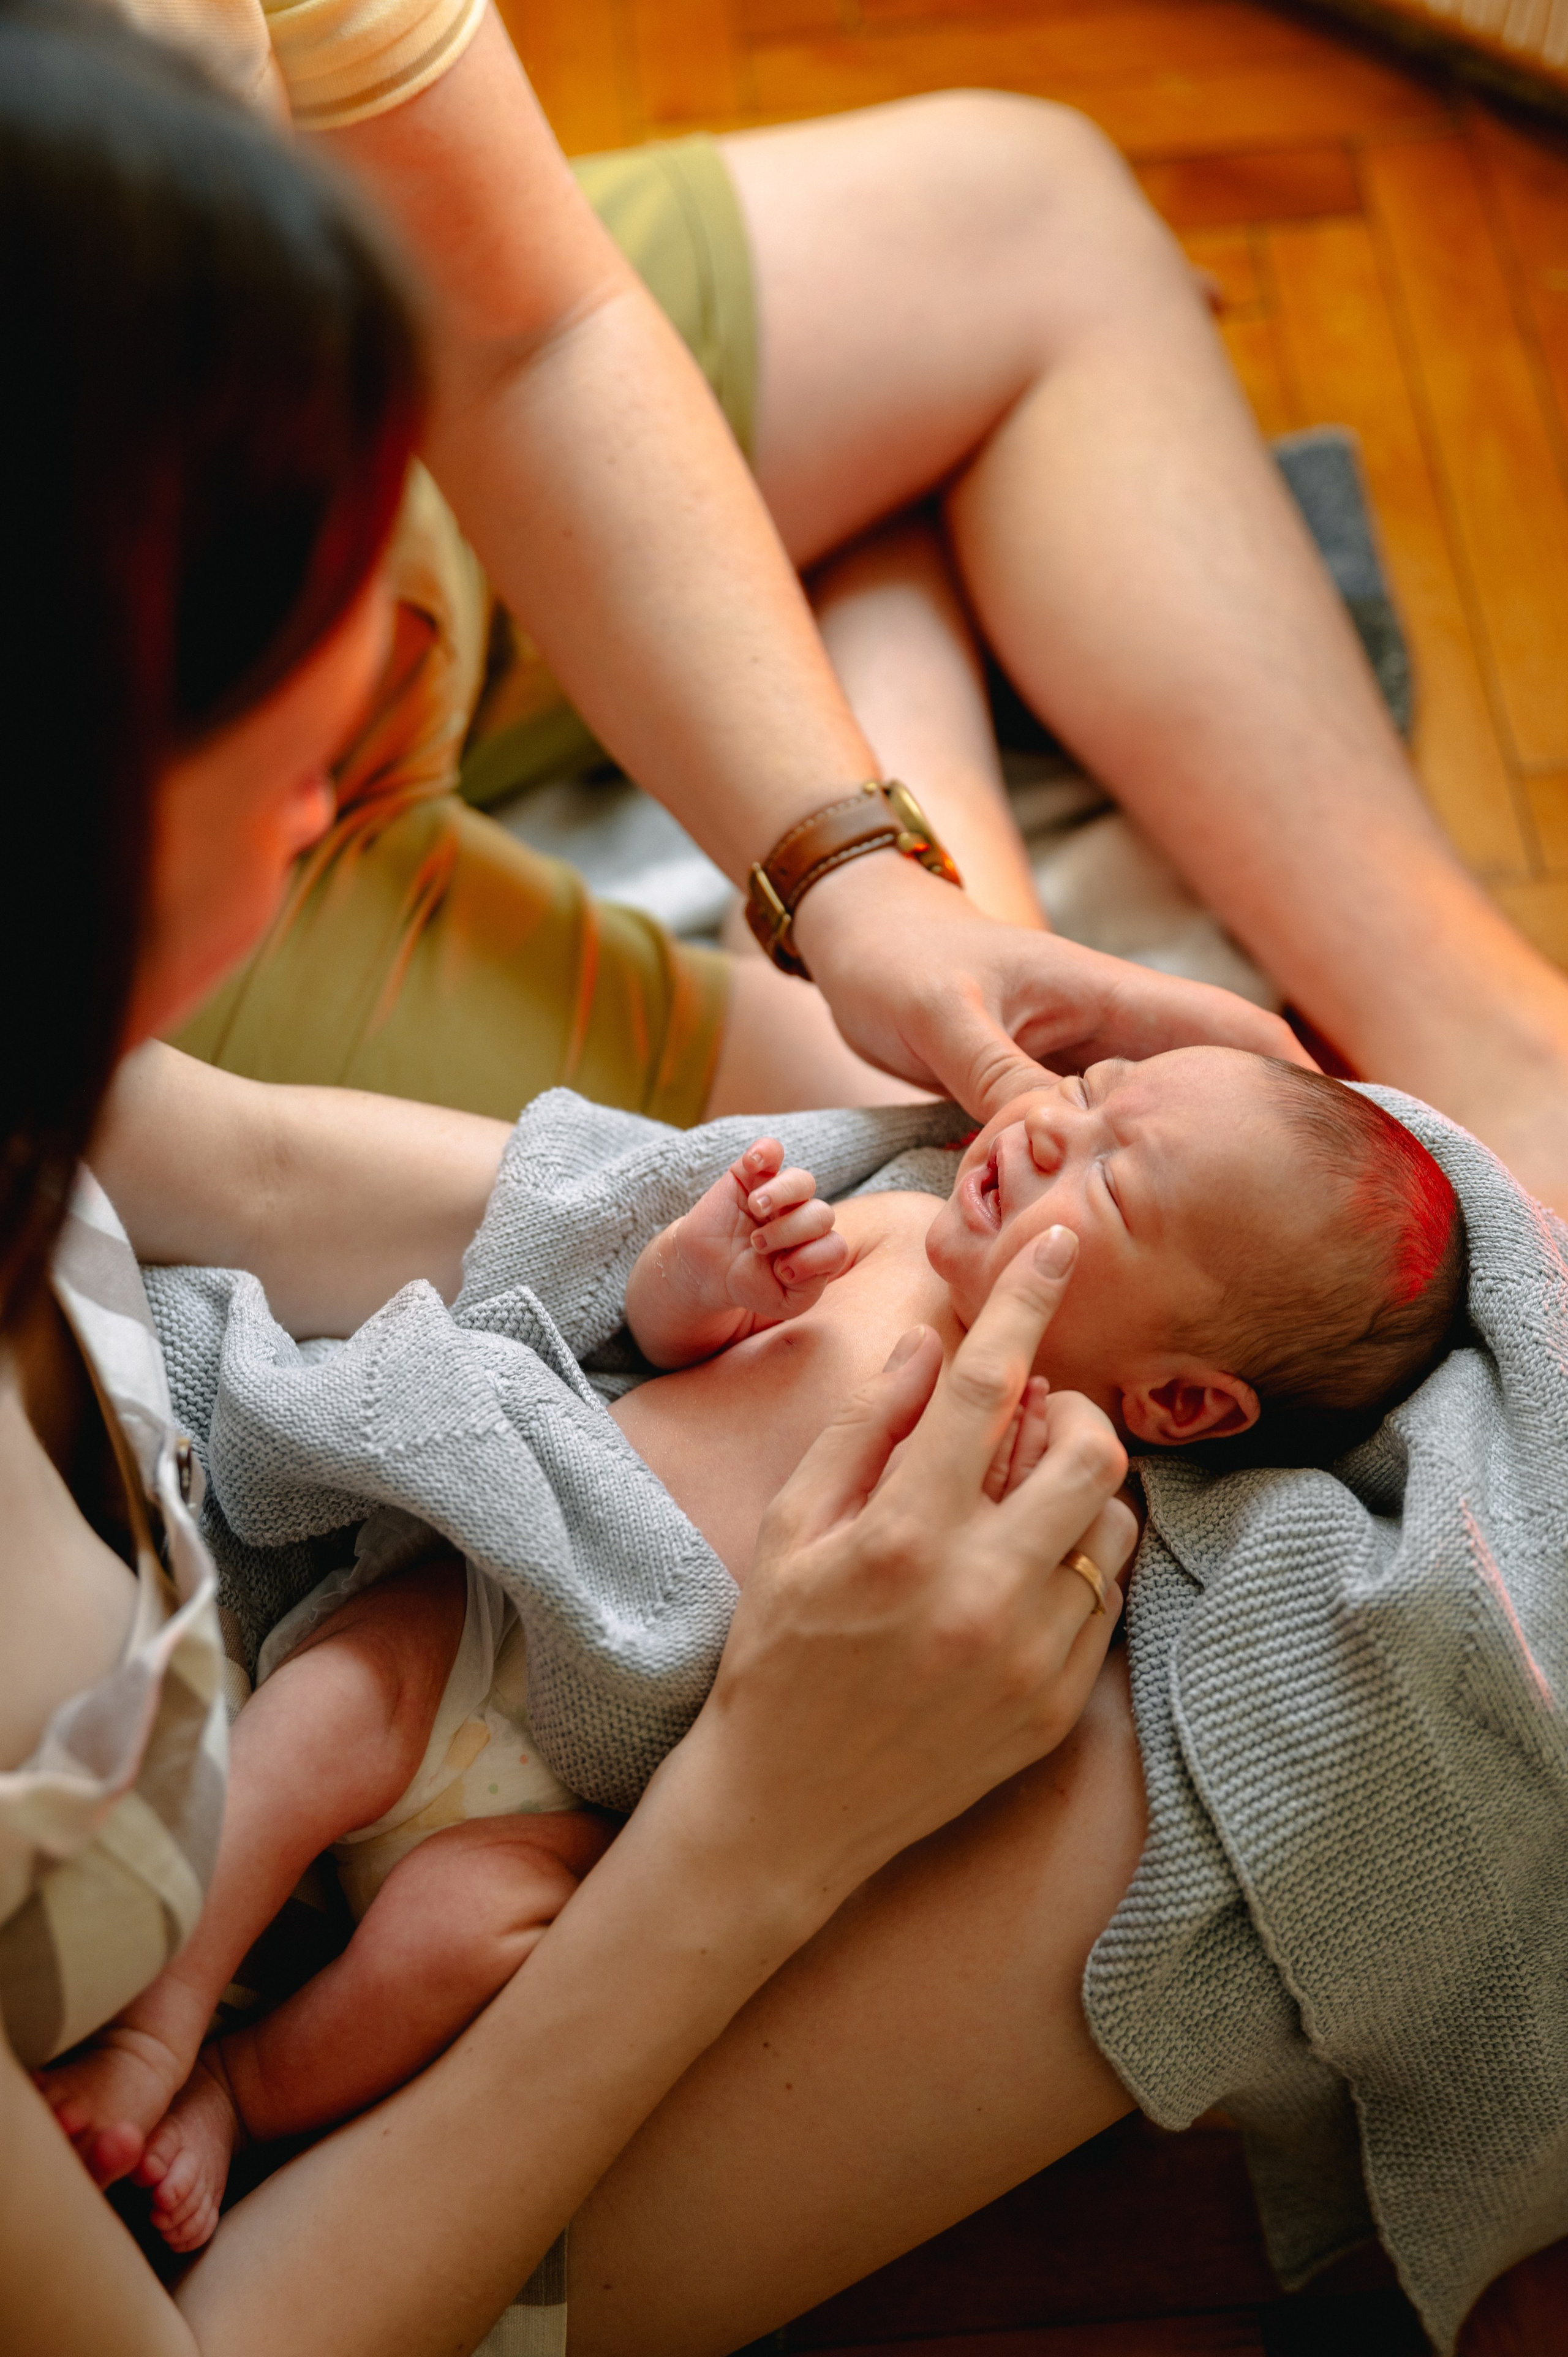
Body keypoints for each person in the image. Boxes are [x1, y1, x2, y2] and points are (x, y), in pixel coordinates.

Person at [1, 16, 1142, 2356]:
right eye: (307, 763)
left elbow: (224, 1152)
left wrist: (828, 1169)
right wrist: (768, 1815)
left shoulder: (64, 1064)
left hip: (277, 1656)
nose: (351, 804)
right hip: (259, 2219)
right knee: (1235, 1752)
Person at [99, 0, 1568, 1216]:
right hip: (158, 865)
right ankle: (885, 574)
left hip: (372, 483)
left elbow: (523, 327)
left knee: (1029, 211)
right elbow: (226, 1181)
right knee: (931, 1185)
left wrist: (854, 874)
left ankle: (1497, 1052)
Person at [37, 1042, 1461, 2250]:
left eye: (1107, 1174)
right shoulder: (891, 1223)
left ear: (1186, 1403)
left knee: (476, 1947)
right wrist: (703, 1277)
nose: (1039, 1127)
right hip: (497, 1602)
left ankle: (241, 2085)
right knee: (324, 1714)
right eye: (1090, 1088)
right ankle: (150, 2037)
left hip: (592, 1781)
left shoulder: (1072, 1493)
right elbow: (632, 1344)